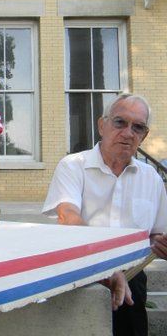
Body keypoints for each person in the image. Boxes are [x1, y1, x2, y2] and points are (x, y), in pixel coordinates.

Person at [42, 94, 167, 336]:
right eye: (120, 122)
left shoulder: (150, 177)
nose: (129, 132)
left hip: (132, 281)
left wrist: (160, 244)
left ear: (144, 135)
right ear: (102, 125)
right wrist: (104, 267)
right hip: (82, 274)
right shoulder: (73, 165)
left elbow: (157, 235)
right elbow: (68, 218)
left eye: (138, 127)